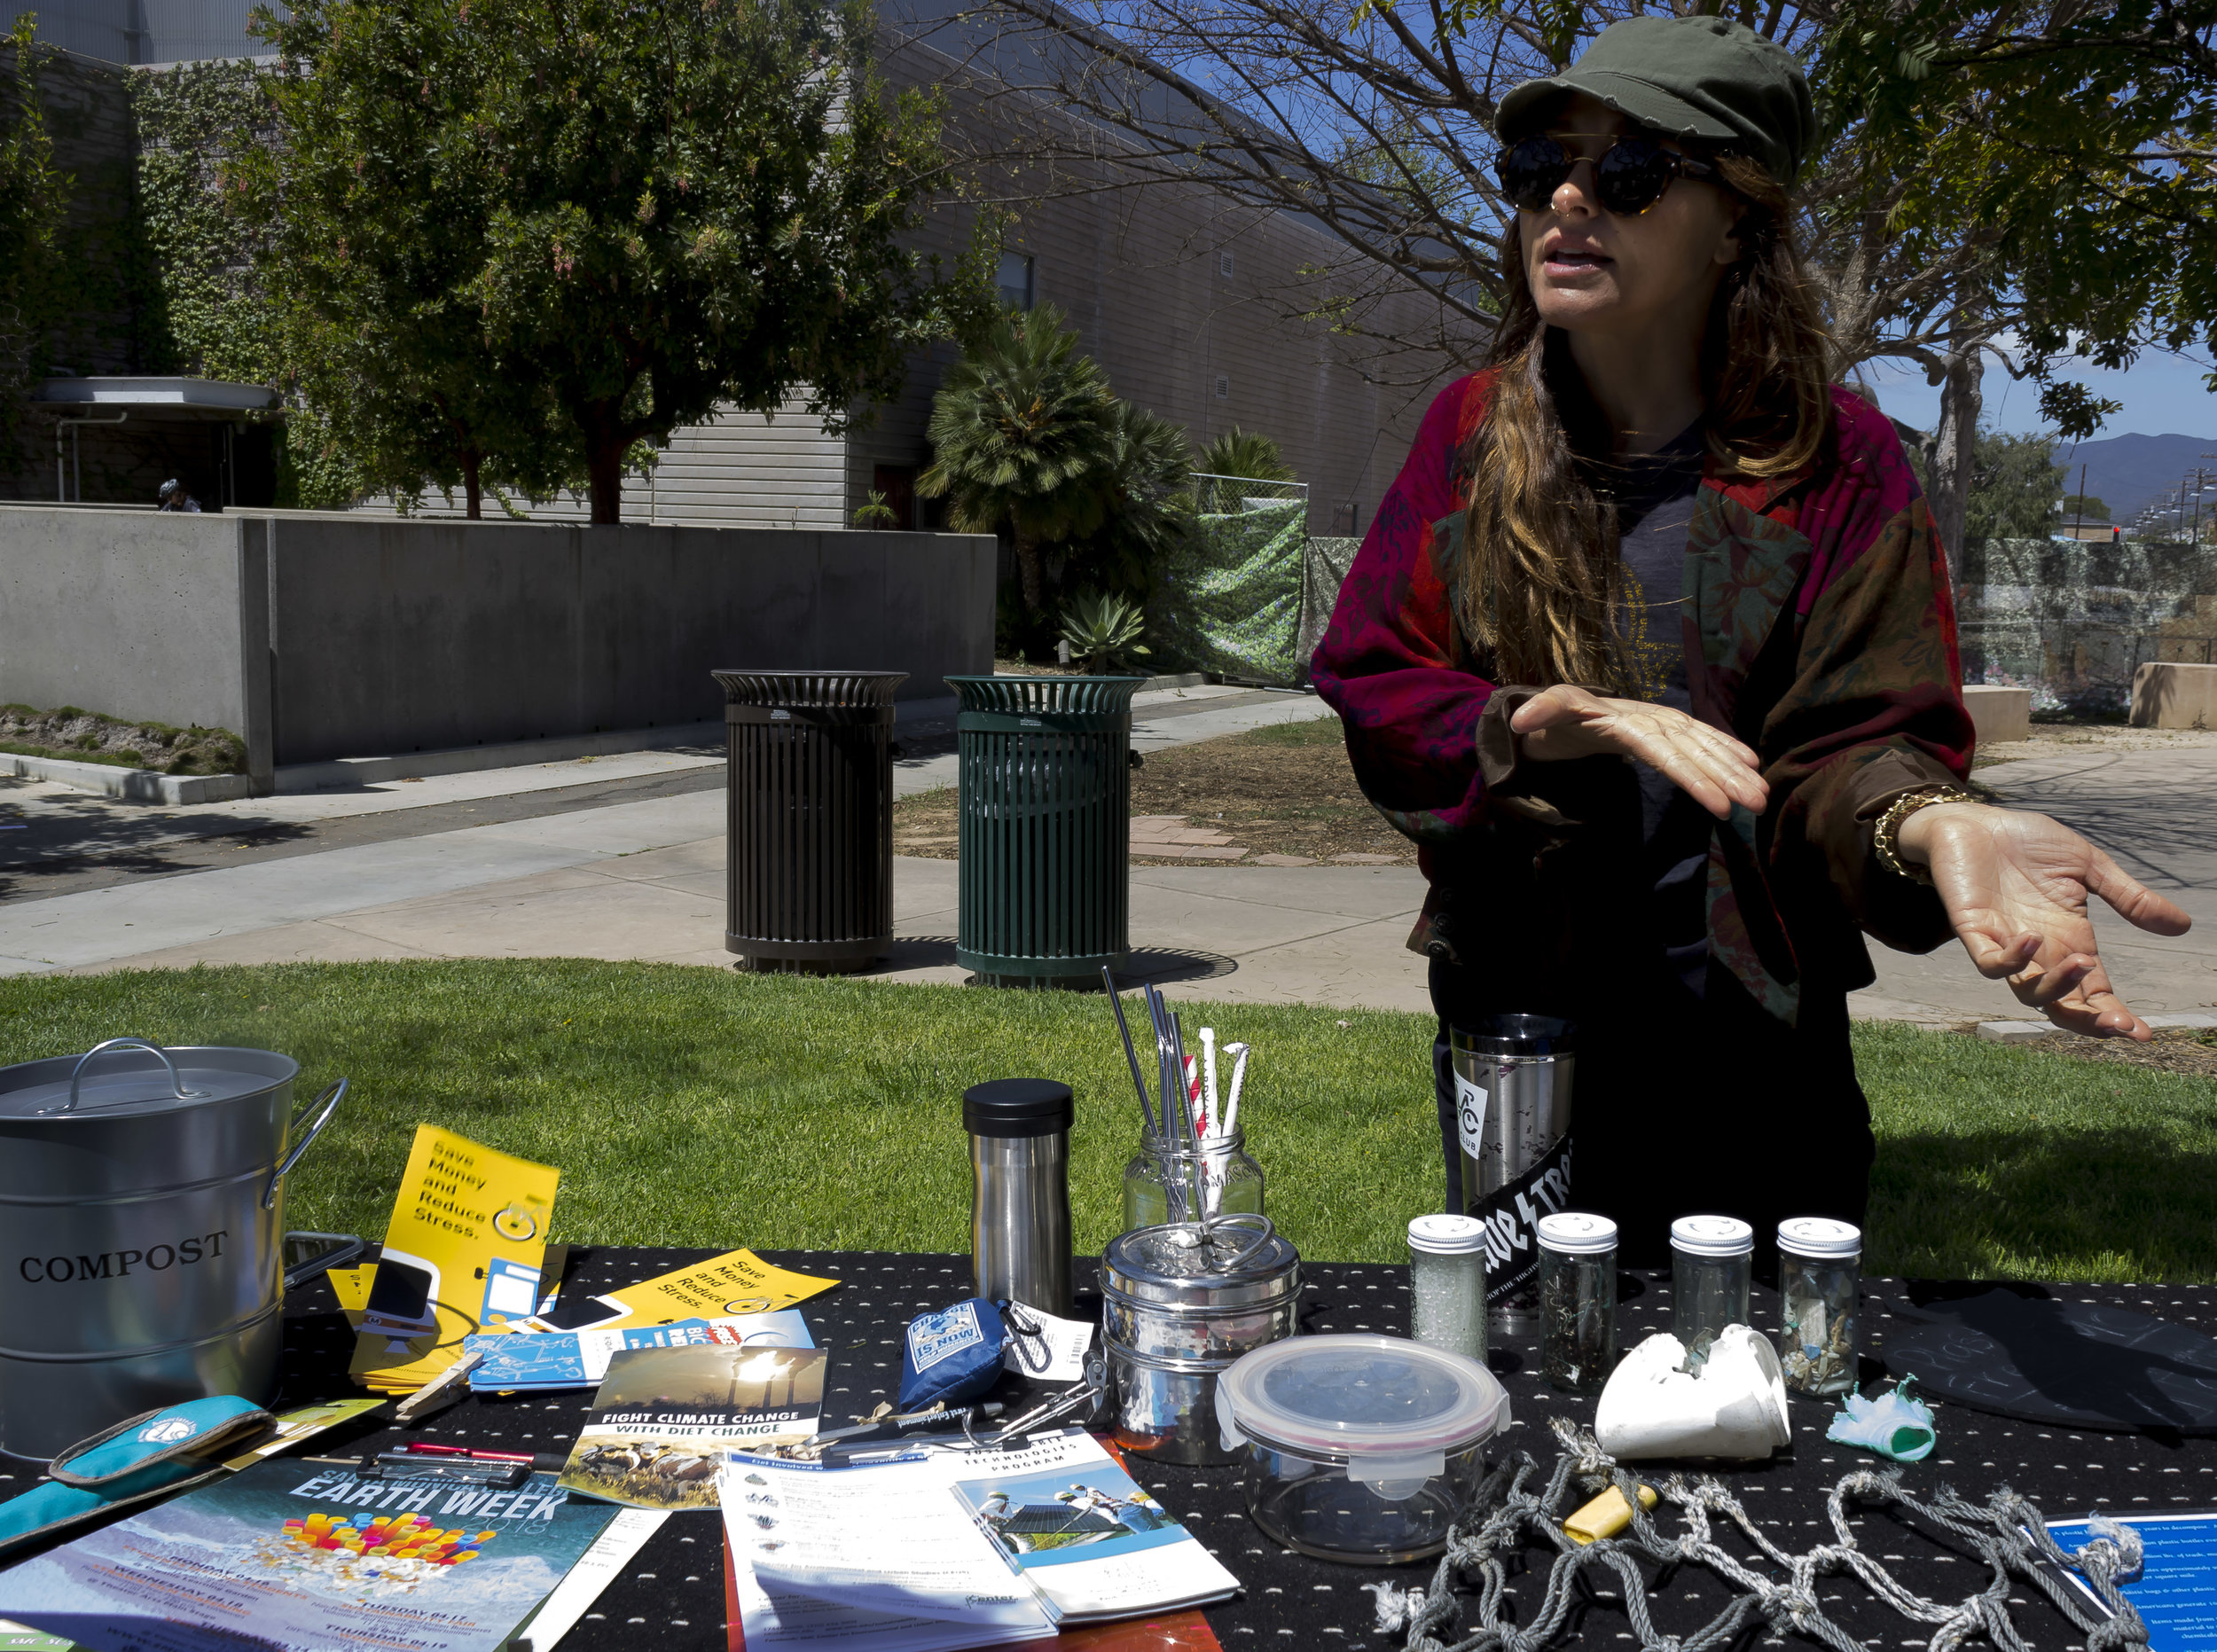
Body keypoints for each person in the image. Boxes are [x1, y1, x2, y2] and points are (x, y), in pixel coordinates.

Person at [1310, 14, 2191, 1261]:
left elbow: (1859, 746)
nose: (1567, 198)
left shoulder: (1838, 465)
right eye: (1539, 169)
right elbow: (1368, 674)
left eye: (1628, 173)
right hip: (1524, 1026)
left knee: (1771, 1397)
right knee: (1529, 1383)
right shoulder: (1469, 433)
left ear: (1737, 222)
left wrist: (1933, 821)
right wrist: (1523, 724)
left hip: (1754, 1042)